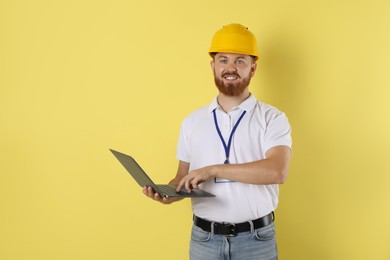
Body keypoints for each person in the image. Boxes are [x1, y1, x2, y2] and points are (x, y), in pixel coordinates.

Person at [143, 23, 292, 260]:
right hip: (205, 240)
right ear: (213, 66)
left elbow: (277, 171)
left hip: (256, 241)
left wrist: (212, 170)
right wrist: (168, 194)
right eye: (223, 60)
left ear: (253, 68)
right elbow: (182, 178)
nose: (230, 68)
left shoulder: (272, 118)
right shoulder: (192, 122)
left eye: (239, 61)